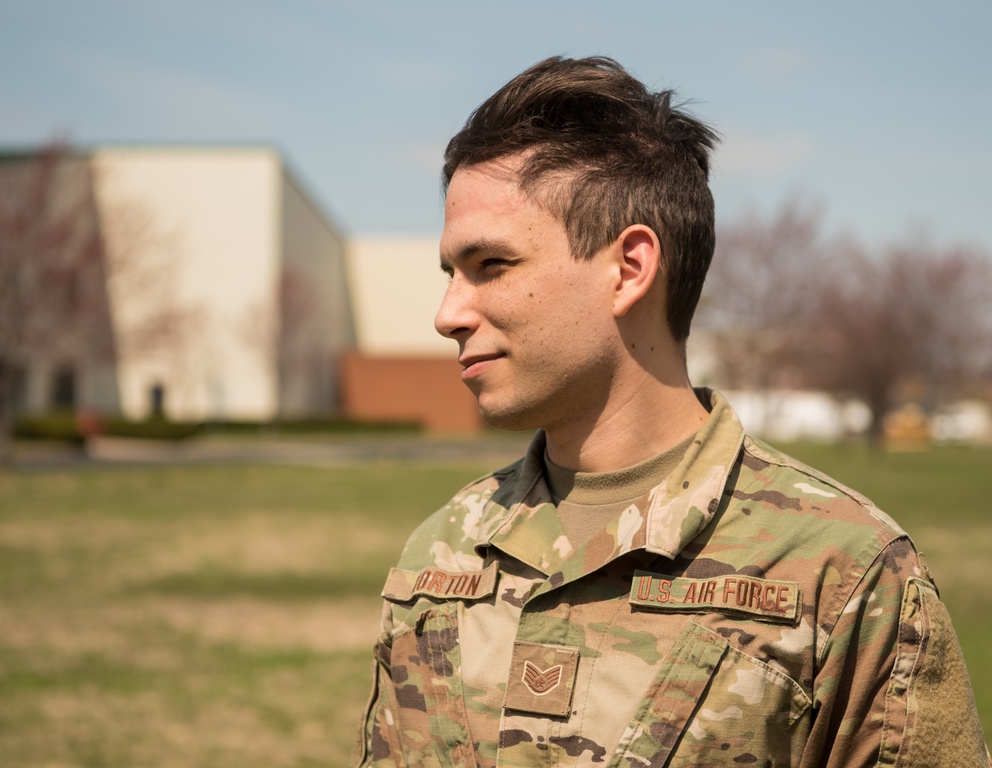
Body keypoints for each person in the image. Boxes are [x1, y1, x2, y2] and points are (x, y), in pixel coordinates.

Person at [352, 56, 989, 768]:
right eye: (450, 274)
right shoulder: (438, 560)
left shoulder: (841, 576)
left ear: (629, 267)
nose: (448, 314)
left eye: (490, 266)